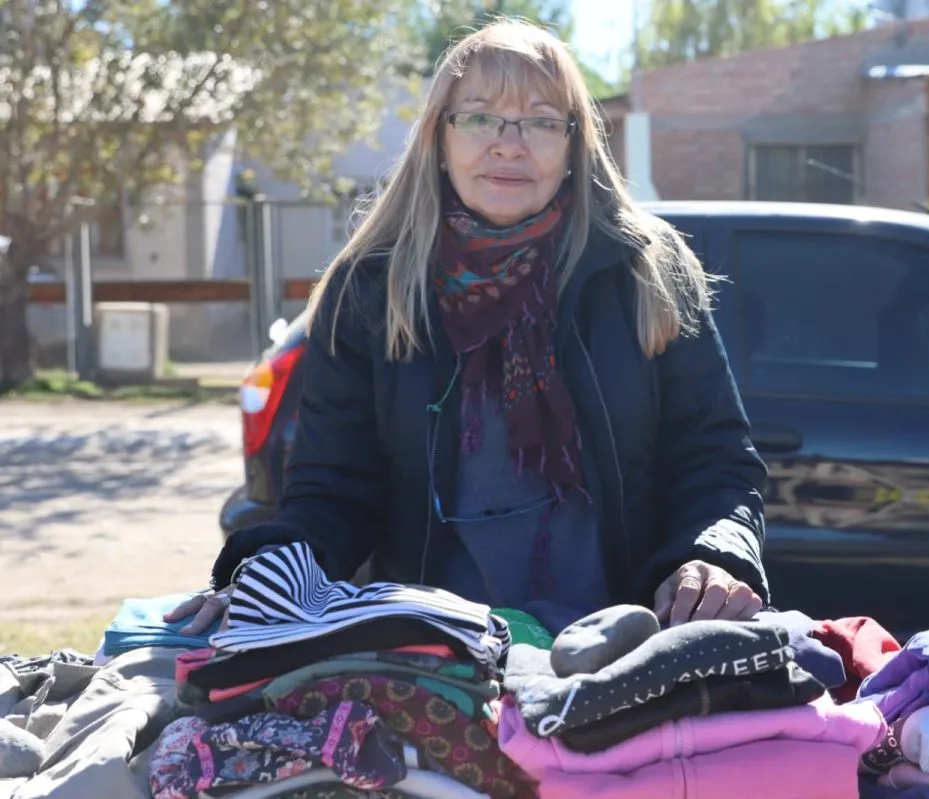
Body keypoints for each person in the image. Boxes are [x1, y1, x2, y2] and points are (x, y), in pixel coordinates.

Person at [168, 19, 770, 638]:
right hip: (434, 656)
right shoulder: (371, 287)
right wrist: (270, 568)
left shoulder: (647, 270)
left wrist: (716, 555)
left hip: (616, 650)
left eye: (540, 120)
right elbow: (333, 489)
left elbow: (717, 461)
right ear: (439, 136)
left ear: (573, 143)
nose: (509, 145)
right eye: (480, 117)